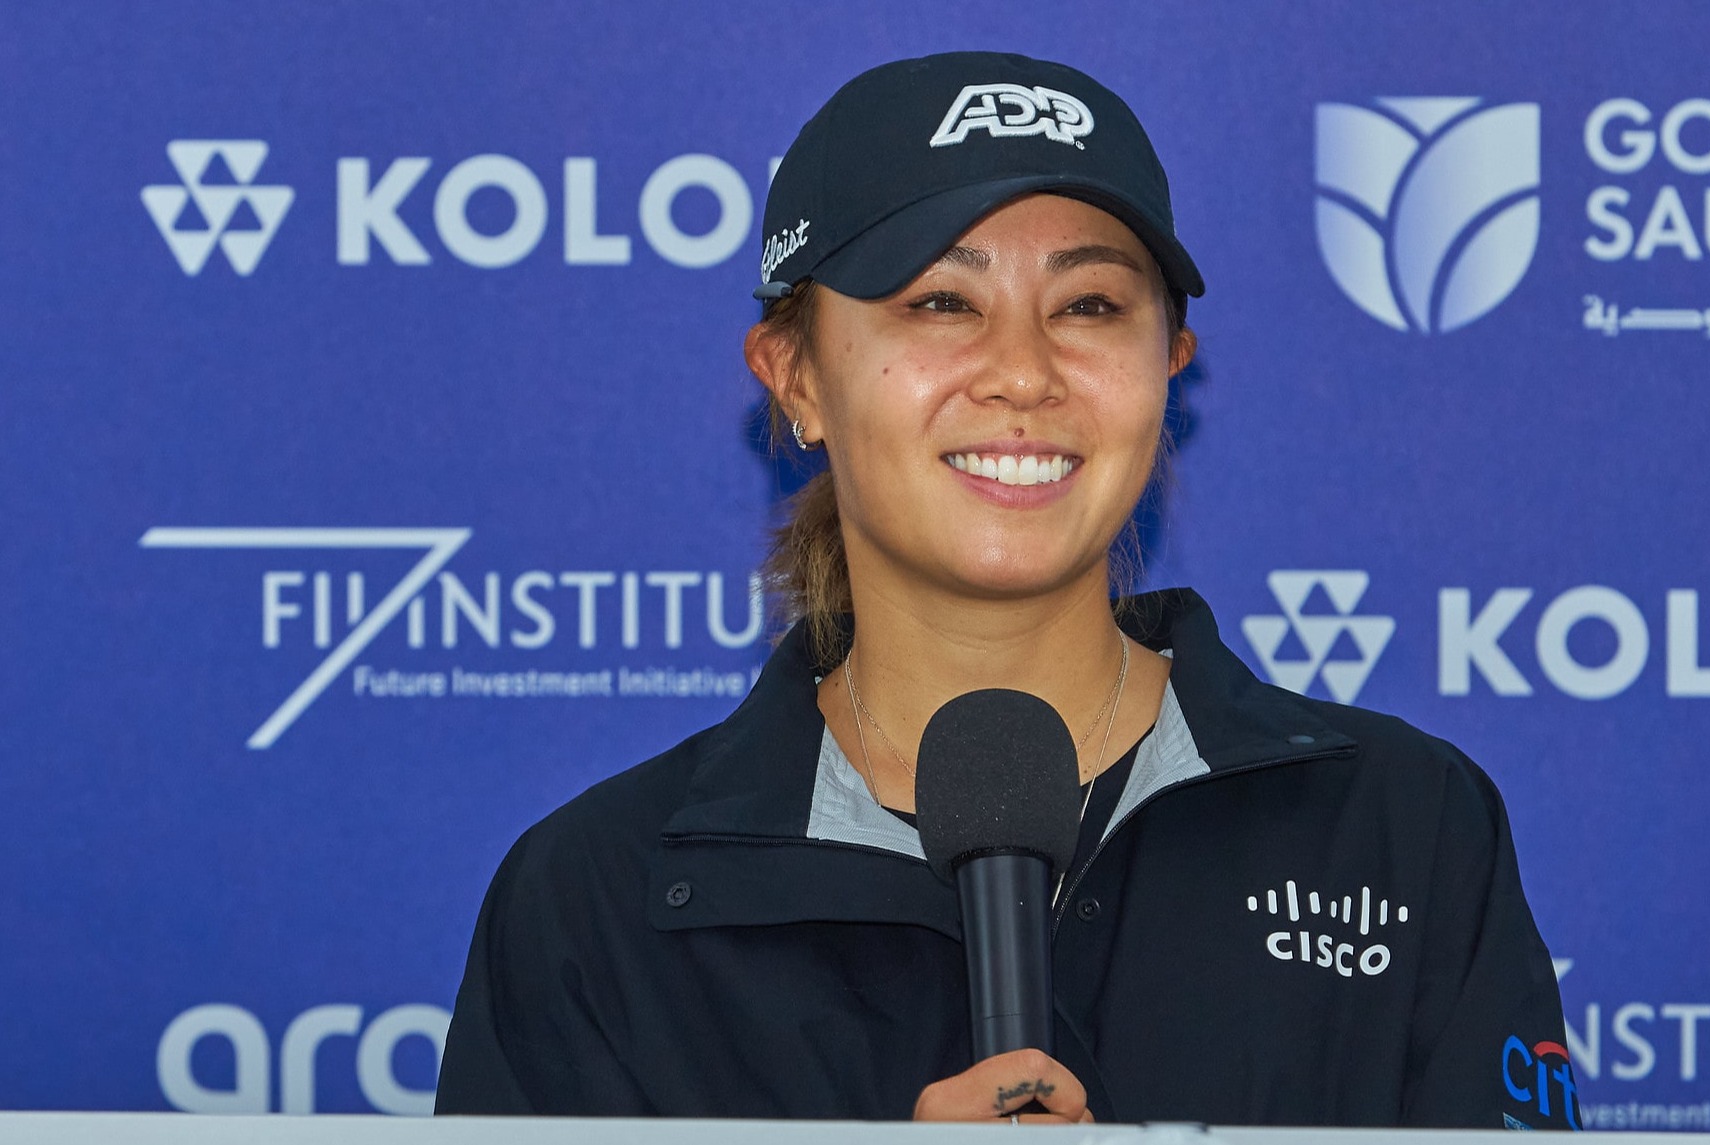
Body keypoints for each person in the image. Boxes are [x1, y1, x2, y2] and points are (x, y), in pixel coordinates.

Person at [436, 50, 1576, 1128]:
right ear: (794, 377)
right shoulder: (594, 896)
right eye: (940, 302)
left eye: (1088, 306)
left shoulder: (1400, 828)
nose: (1024, 371)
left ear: (1167, 365)